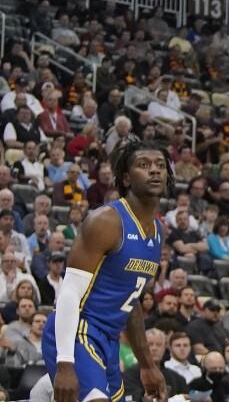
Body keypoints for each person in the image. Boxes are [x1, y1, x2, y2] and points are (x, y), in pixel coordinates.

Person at [42, 140, 173, 402]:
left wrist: (147, 364)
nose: (155, 171)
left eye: (160, 165)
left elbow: (131, 302)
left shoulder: (158, 232)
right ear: (126, 178)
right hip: (79, 330)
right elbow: (68, 293)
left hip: (109, 341)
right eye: (144, 165)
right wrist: (65, 362)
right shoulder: (106, 220)